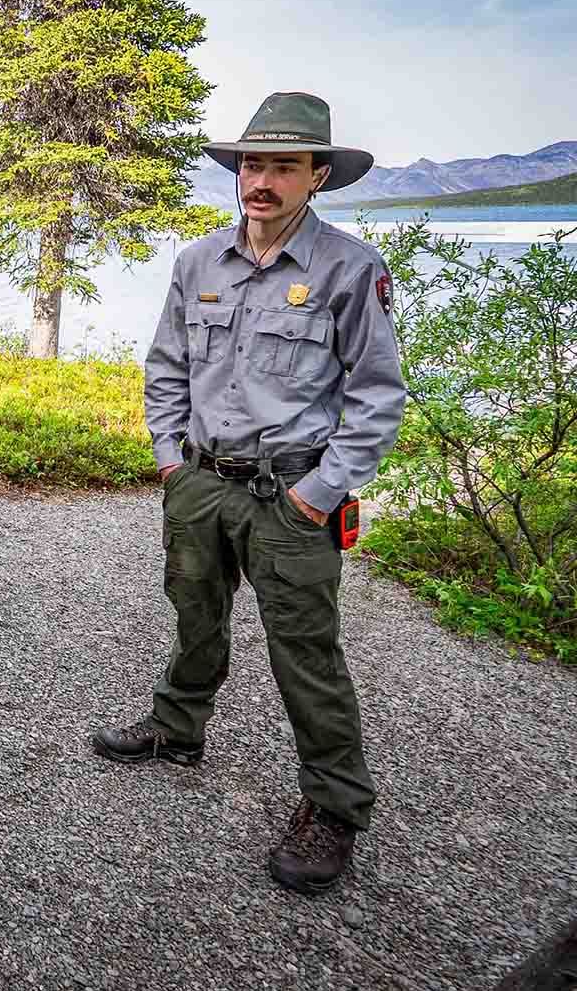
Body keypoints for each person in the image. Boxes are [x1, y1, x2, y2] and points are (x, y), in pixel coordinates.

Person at [91, 91, 407, 895]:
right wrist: (169, 458)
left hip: (291, 495)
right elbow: (166, 367)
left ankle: (333, 805)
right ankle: (176, 728)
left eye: (283, 166)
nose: (261, 180)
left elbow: (376, 397)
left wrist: (320, 493)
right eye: (252, 164)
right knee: (194, 612)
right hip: (200, 482)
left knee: (305, 649)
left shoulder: (351, 268)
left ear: (317, 176)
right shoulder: (197, 262)